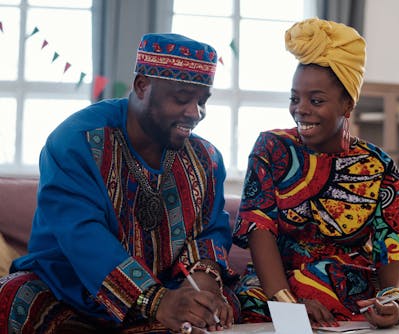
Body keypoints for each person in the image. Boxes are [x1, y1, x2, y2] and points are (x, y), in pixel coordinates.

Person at [0, 33, 239, 334]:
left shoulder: (206, 158)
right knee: (12, 295)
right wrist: (156, 302)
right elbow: (82, 234)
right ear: (142, 86)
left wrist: (203, 287)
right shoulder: (78, 142)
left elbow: (210, 229)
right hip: (72, 290)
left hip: (170, 288)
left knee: (229, 304)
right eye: (181, 98)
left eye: (202, 101)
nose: (195, 113)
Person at [232, 18, 399, 329]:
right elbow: (258, 229)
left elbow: (393, 244)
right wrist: (289, 305)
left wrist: (395, 299)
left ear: (348, 104)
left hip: (348, 288)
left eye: (315, 100)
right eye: (295, 98)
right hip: (275, 286)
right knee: (249, 301)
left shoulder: (378, 165)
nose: (300, 109)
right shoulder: (272, 148)